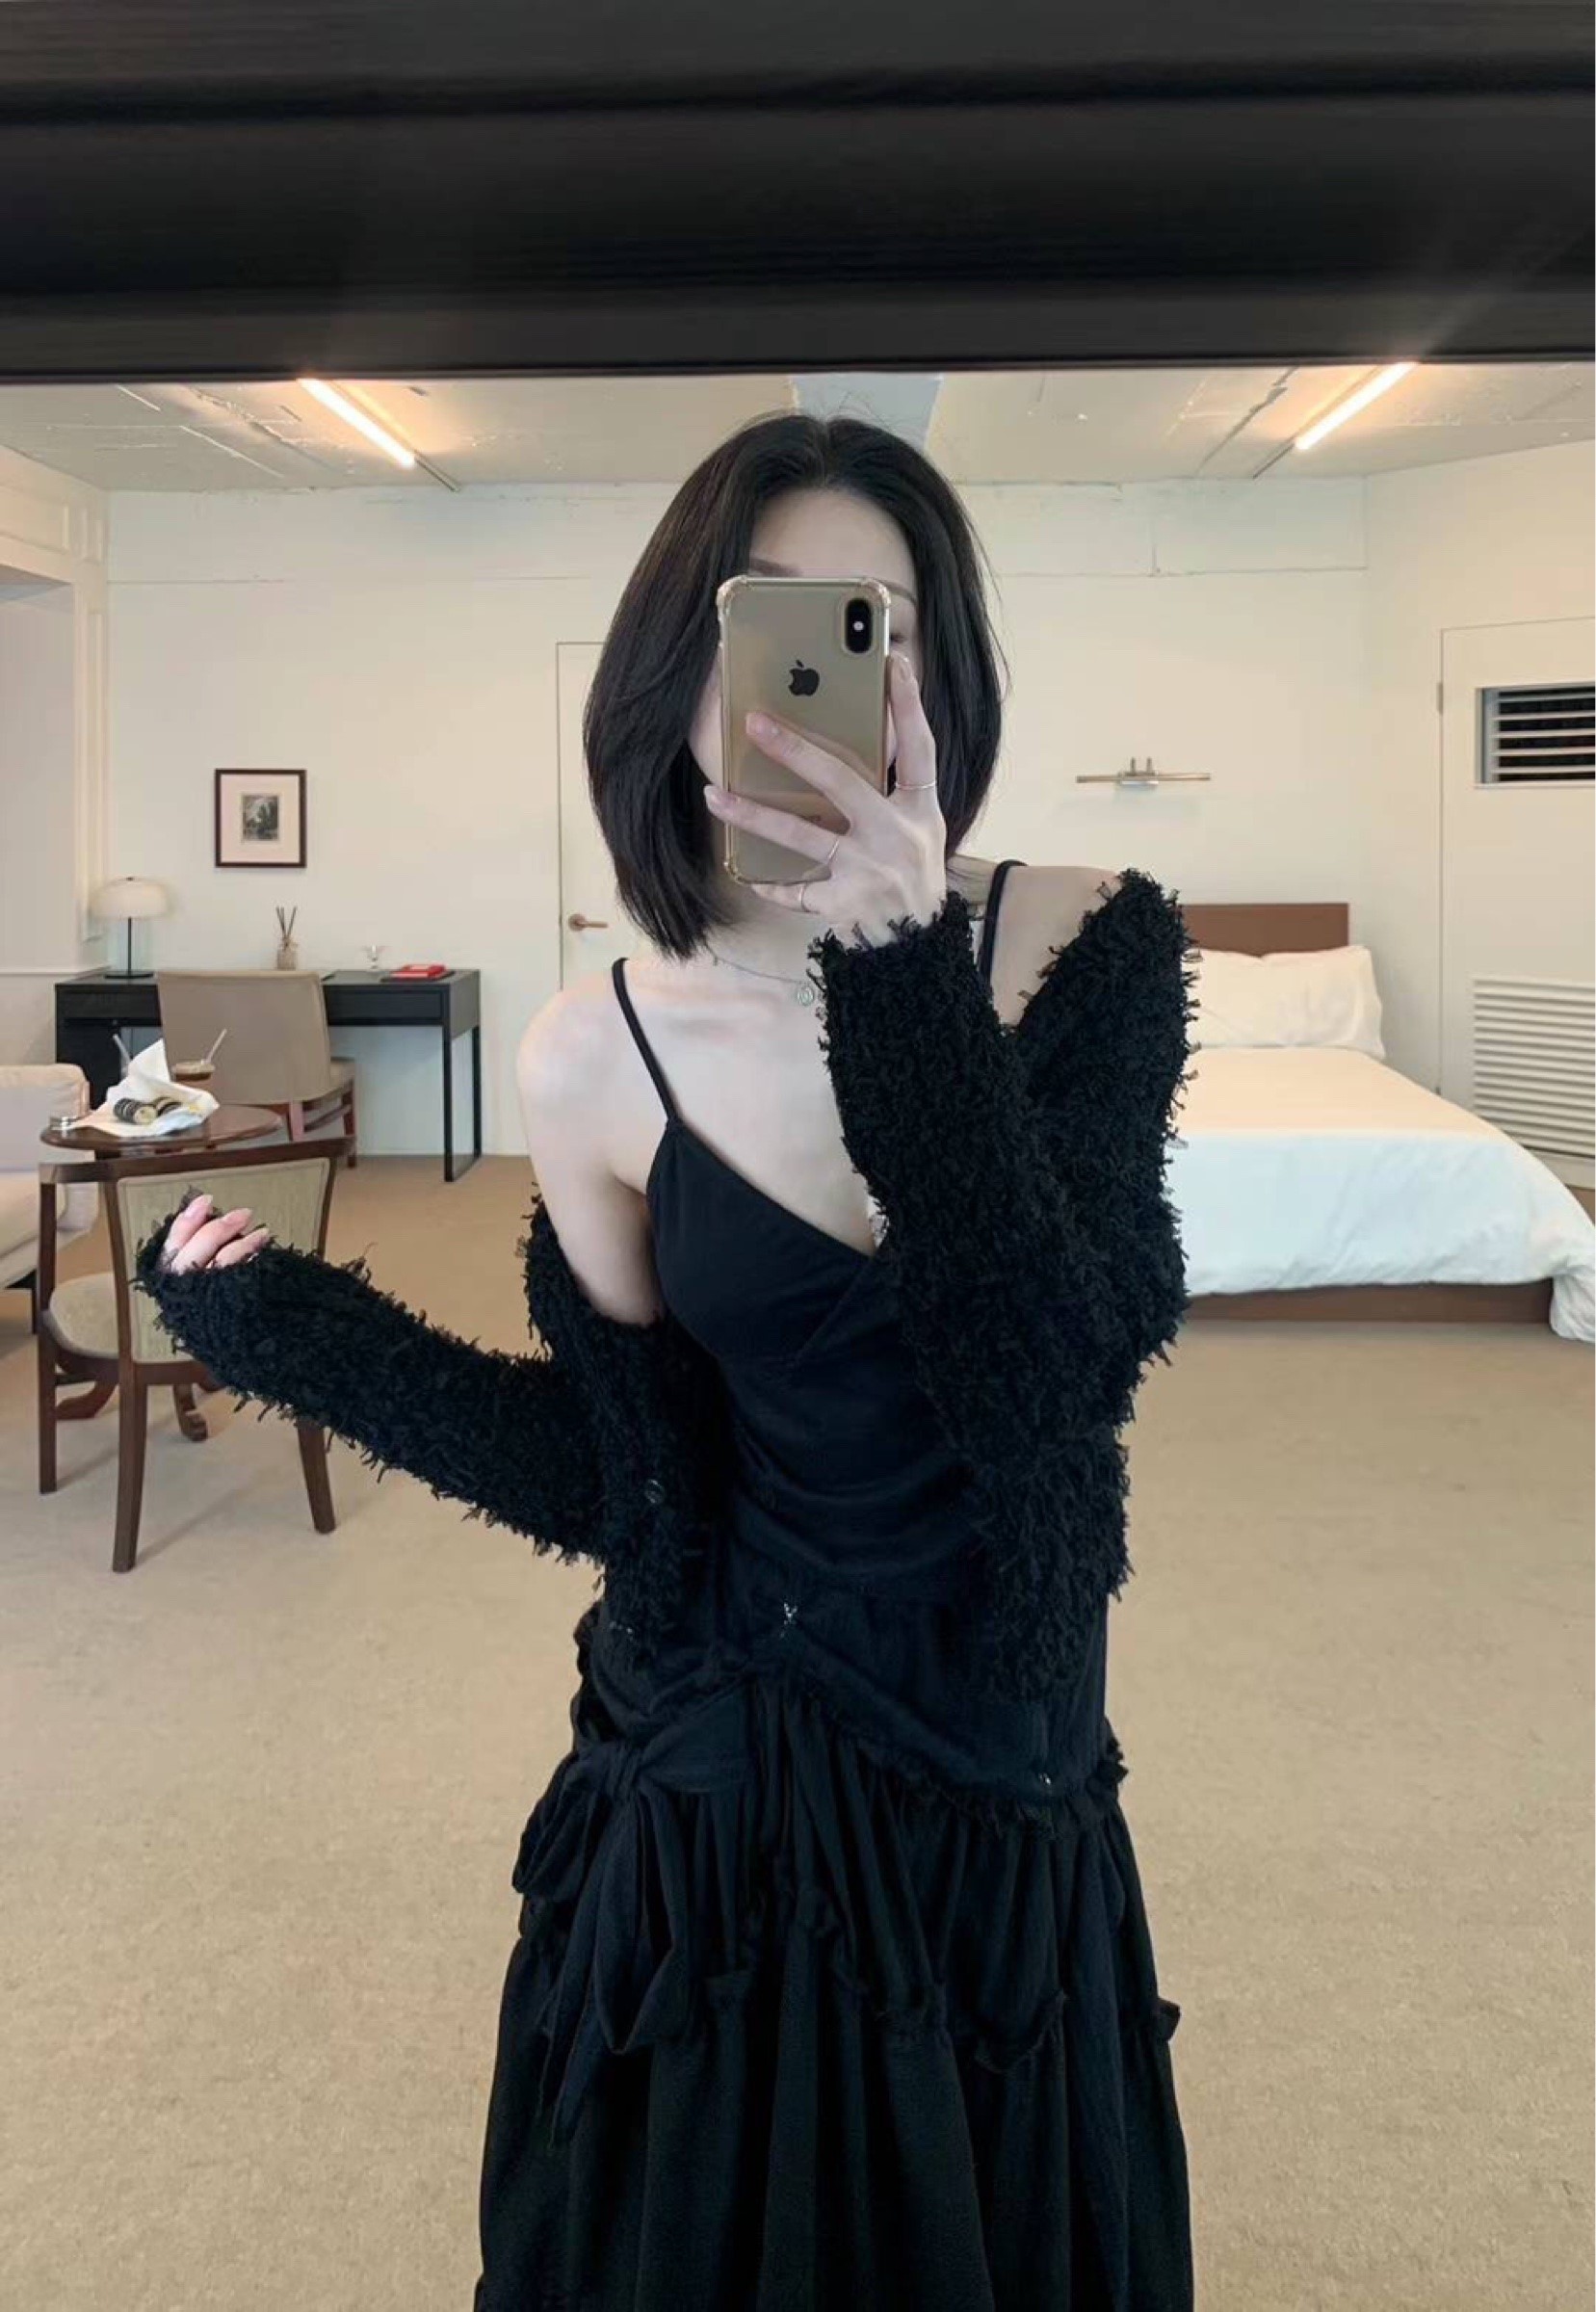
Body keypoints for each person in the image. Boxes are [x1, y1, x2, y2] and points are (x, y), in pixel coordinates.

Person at [140, 413, 1196, 2310]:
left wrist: (893, 960)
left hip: (995, 1746)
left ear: (937, 673)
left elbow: (1053, 1386)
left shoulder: (1084, 944)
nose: (818, 678)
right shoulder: (593, 1050)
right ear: (674, 670)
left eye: (871, 624)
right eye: (767, 622)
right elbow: (623, 1479)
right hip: (722, 1752)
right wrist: (289, 1331)